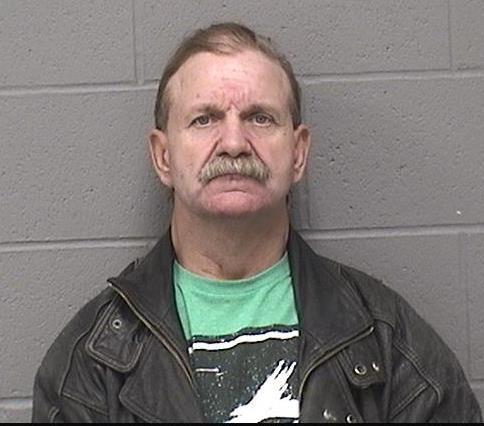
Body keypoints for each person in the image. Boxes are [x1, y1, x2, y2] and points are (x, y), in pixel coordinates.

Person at [32, 22, 481, 423]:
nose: (233, 142)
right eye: (204, 119)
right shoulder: (93, 363)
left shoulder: (384, 338)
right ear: (163, 156)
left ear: (298, 152)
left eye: (260, 118)